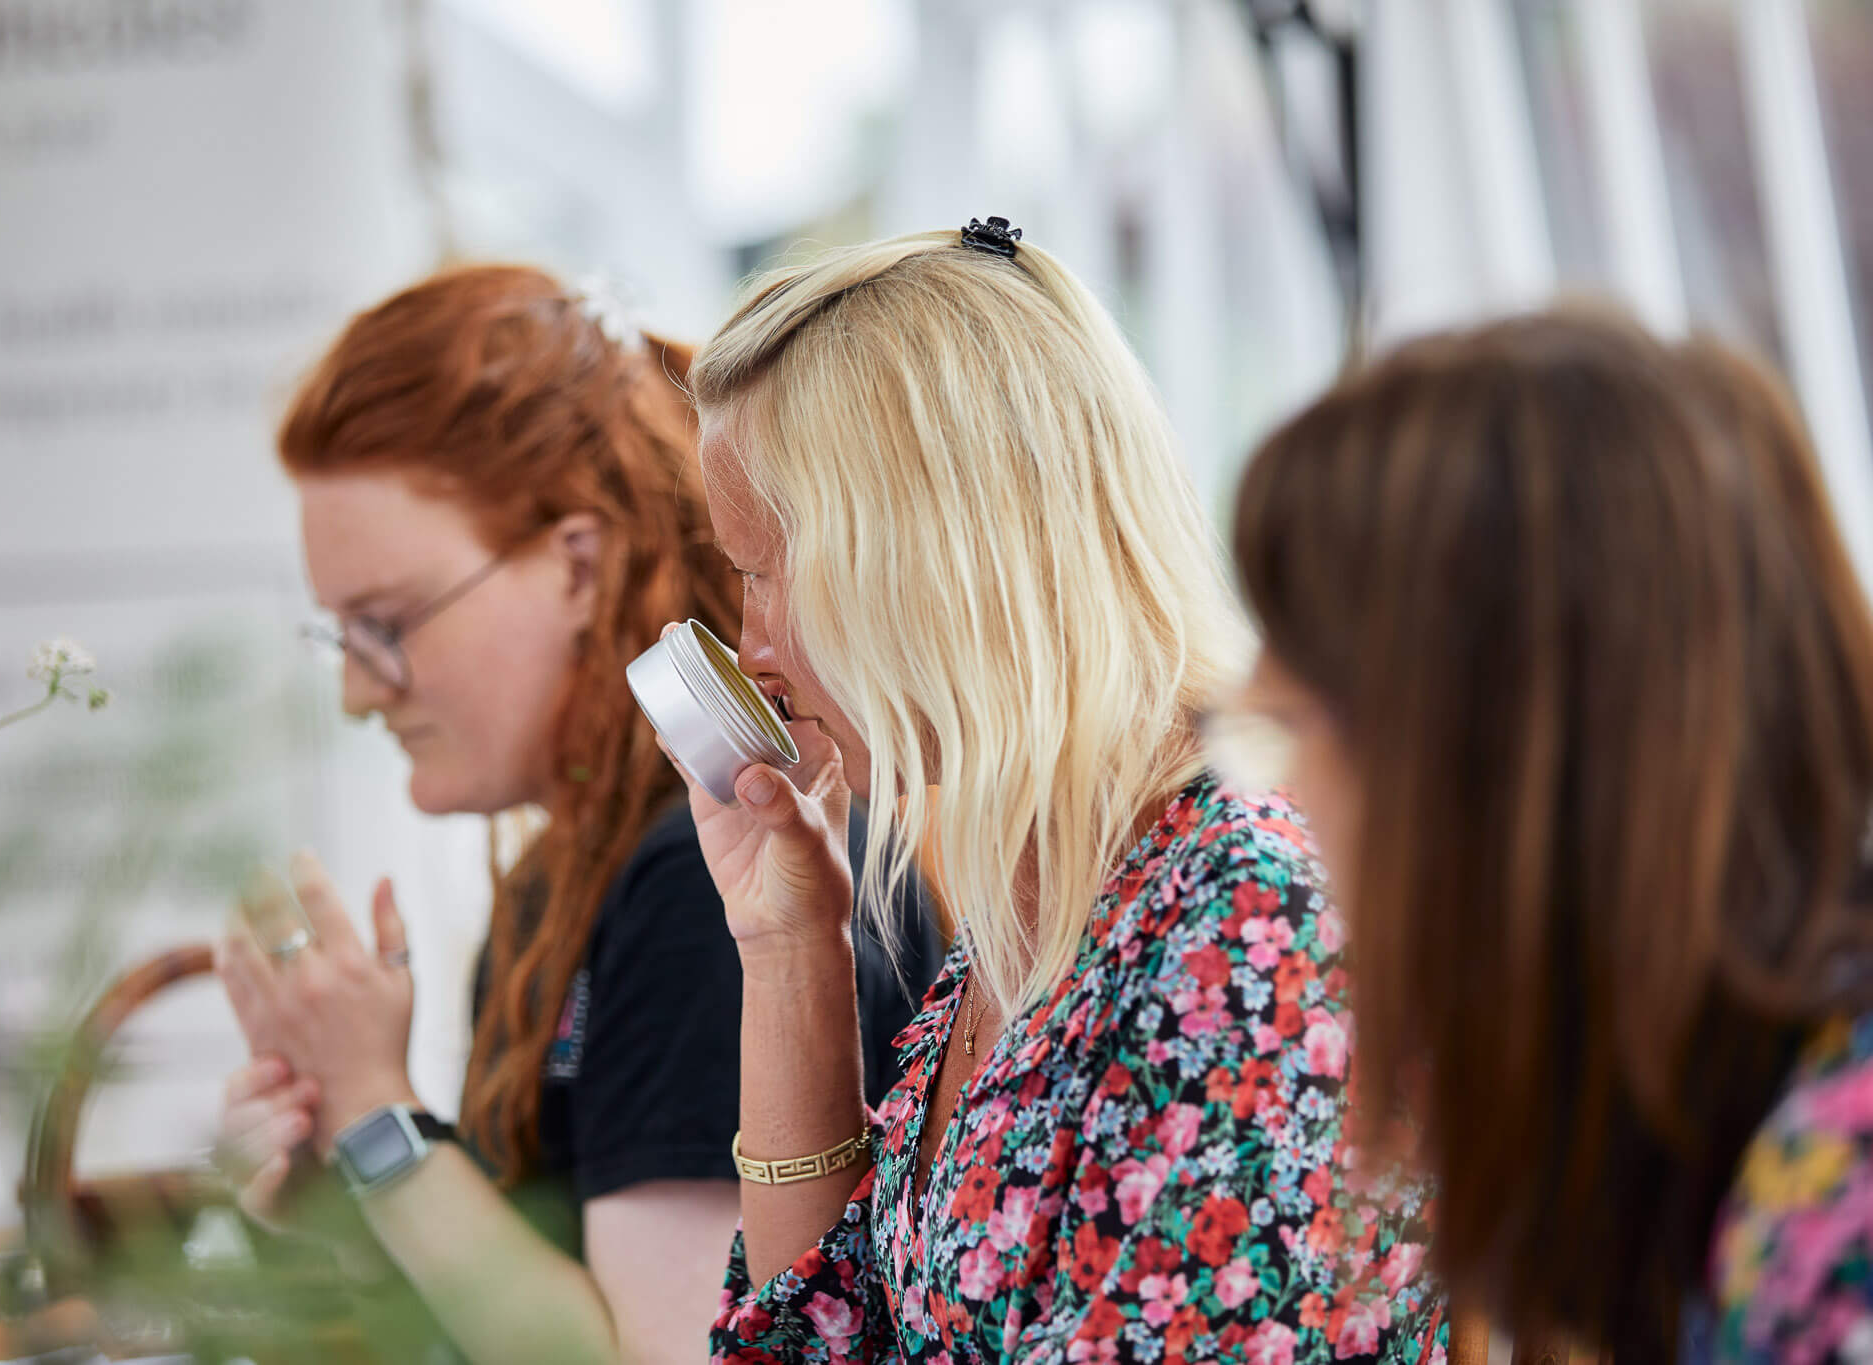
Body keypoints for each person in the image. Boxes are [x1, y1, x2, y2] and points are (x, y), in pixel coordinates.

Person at [669, 220, 1445, 1363]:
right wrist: (790, 947)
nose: (753, 646)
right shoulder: (1039, 902)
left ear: (933, 552)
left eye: (767, 572)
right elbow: (816, 1346)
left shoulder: (1246, 912)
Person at [209, 265, 940, 1365]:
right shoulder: (567, 882)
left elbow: (662, 1351)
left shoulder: (711, 877)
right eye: (341, 636)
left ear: (578, 565)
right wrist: (347, 1179)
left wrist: (377, 1114)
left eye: (388, 622)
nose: (360, 689)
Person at [1226, 310, 1873, 1361]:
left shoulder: (1832, 1232)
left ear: (1485, 766)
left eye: (1294, 727)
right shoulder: (1714, 1130)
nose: (1279, 796)